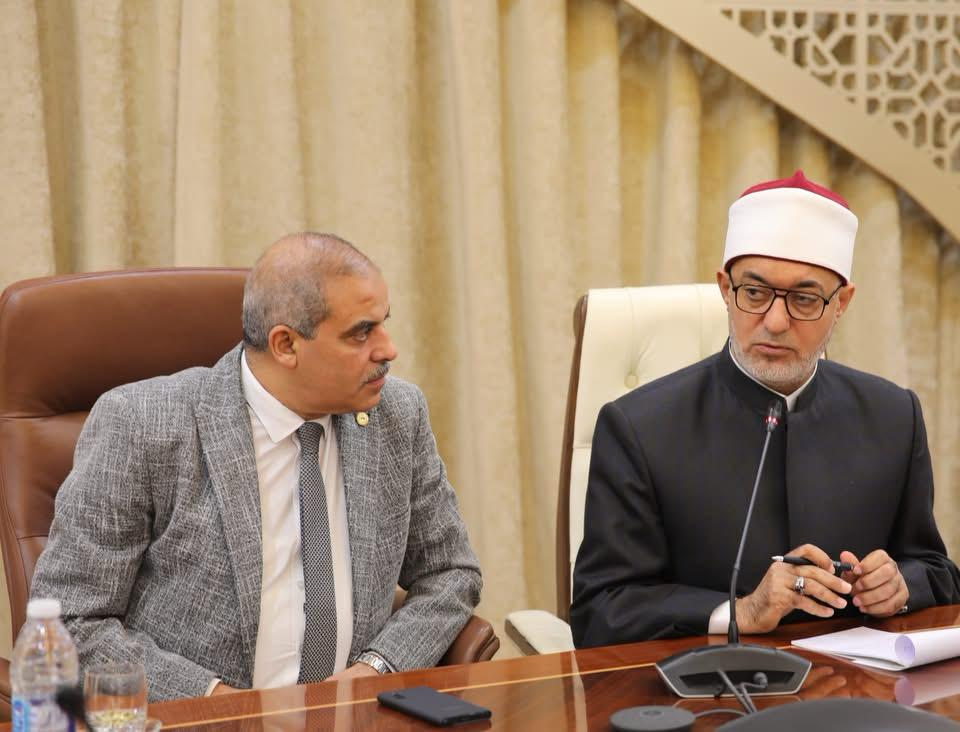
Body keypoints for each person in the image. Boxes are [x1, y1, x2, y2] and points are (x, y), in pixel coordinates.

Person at [31, 232, 482, 700]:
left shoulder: (396, 416)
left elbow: (450, 573)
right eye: (361, 333)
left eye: (383, 324)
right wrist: (221, 706)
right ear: (286, 345)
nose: (388, 350)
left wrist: (377, 669)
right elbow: (69, 623)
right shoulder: (144, 424)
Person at [570, 171, 960, 647]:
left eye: (804, 299)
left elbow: (935, 569)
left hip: (857, 682)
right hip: (706, 682)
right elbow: (601, 609)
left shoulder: (893, 416)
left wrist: (899, 586)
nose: (775, 322)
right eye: (754, 293)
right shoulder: (638, 426)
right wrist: (742, 611)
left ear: (841, 303)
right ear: (724, 288)